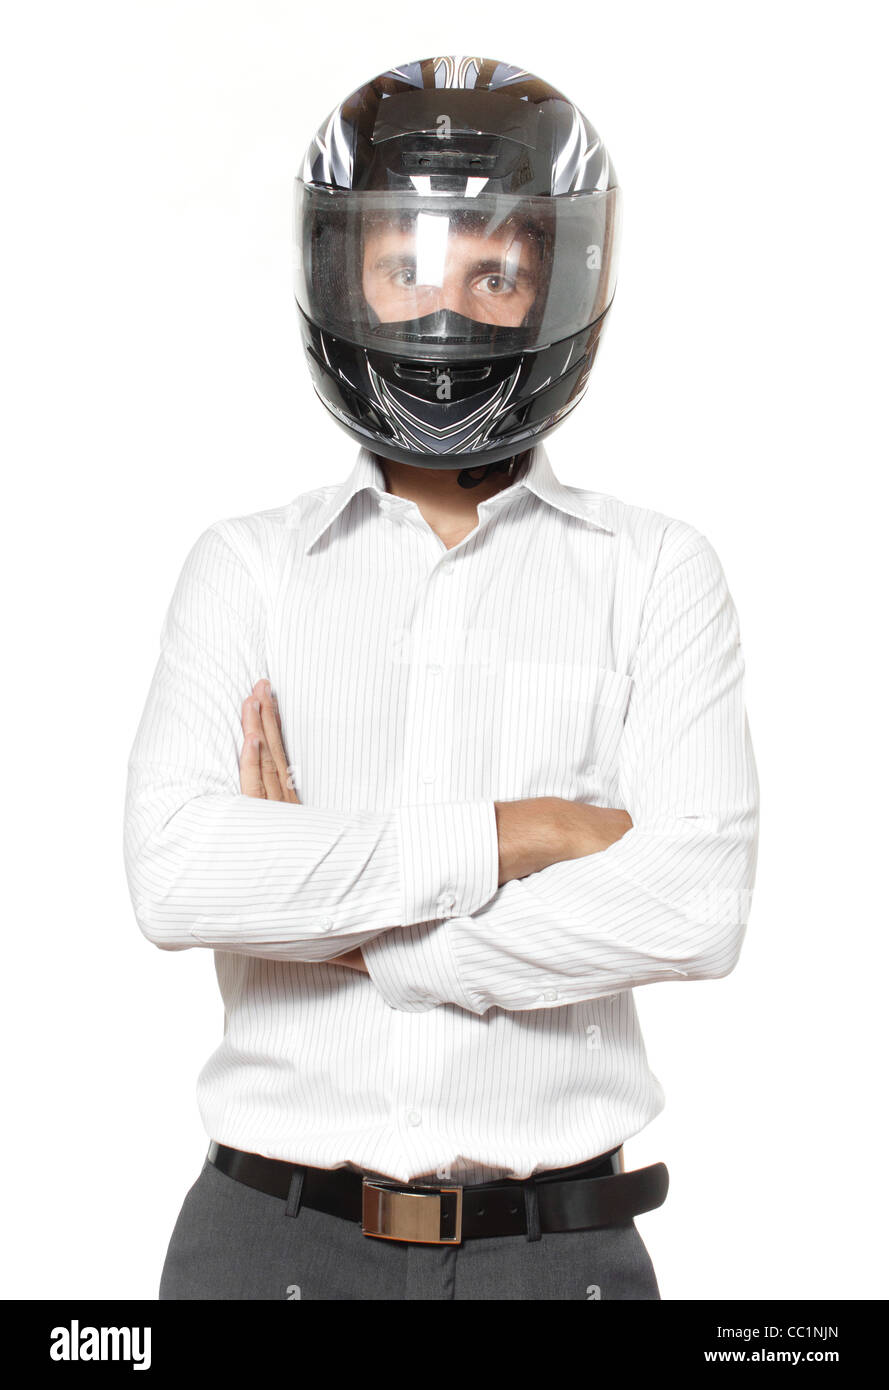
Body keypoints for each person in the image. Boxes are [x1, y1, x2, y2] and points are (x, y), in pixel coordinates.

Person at [124, 55, 759, 1301]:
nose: (444, 311)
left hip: (557, 1250)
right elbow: (177, 872)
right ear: (340, 273)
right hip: (268, 1242)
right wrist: (529, 832)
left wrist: (348, 927)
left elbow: (693, 904)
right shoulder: (246, 570)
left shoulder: (657, 572)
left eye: (494, 275)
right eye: (404, 267)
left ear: (554, 287)